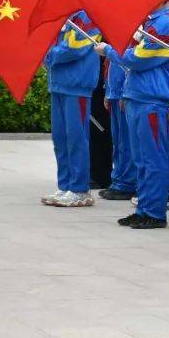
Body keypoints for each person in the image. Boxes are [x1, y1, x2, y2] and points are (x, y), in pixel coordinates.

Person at [97, 0, 169, 228]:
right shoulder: (152, 22)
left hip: (153, 100)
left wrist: (109, 51)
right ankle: (145, 207)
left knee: (153, 157)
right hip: (139, 97)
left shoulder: (166, 24)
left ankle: (154, 212)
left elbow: (139, 59)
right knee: (141, 158)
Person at [41, 11, 101, 208]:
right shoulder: (62, 15)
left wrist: (49, 54)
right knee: (60, 138)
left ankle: (79, 189)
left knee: (76, 138)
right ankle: (65, 185)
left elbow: (77, 47)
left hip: (77, 84)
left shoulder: (87, 17)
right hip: (58, 82)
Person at [98, 51, 134, 200]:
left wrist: (124, 93)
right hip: (115, 93)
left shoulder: (134, 35)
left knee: (126, 143)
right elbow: (109, 65)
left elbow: (130, 66)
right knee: (118, 142)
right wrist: (108, 91)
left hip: (123, 94)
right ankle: (118, 179)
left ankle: (127, 183)